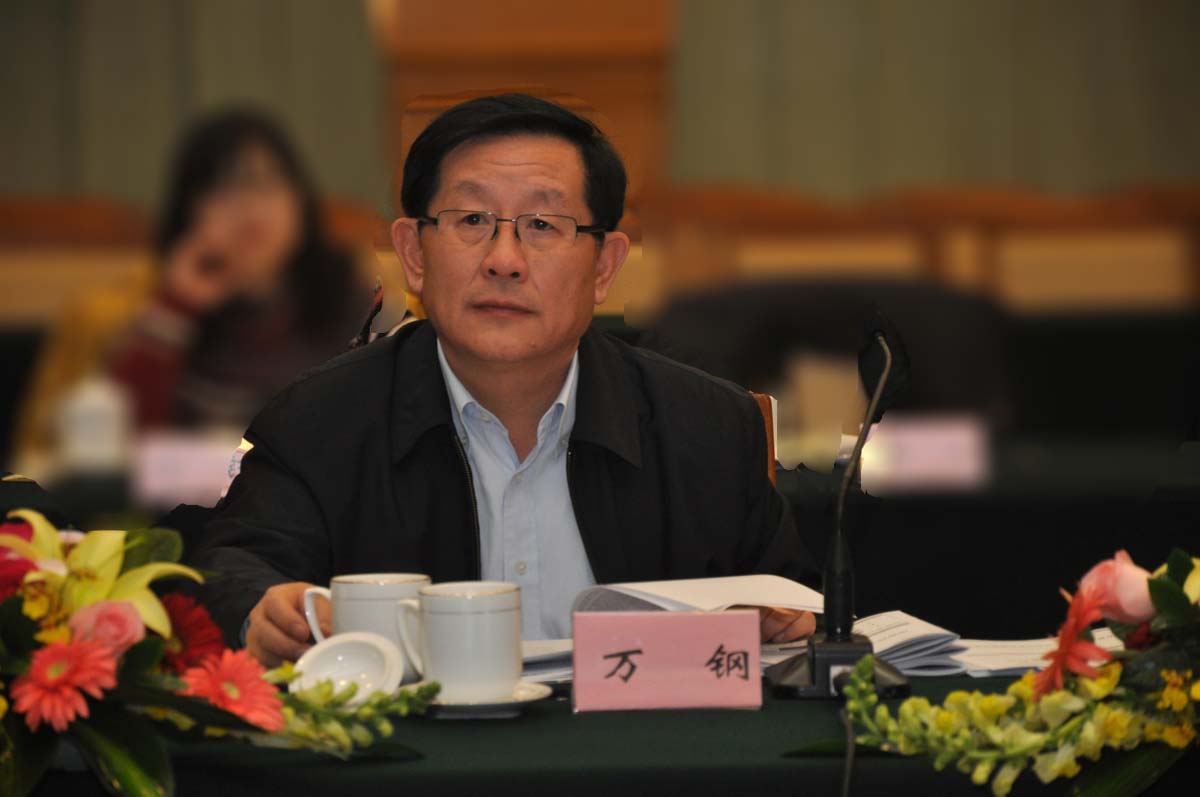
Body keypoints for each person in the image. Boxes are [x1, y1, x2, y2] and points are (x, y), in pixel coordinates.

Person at [189, 94, 819, 666]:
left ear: (604, 267)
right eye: (470, 220)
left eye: (543, 226)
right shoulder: (317, 421)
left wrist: (785, 621)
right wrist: (261, 612)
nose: (504, 260)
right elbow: (233, 565)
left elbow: (790, 606)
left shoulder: (706, 426)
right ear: (413, 254)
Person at [15, 109, 370, 457]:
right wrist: (177, 305)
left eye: (267, 182)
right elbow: (112, 453)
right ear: (189, 210)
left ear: (301, 200)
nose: (250, 205)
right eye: (225, 188)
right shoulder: (130, 312)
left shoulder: (351, 297)